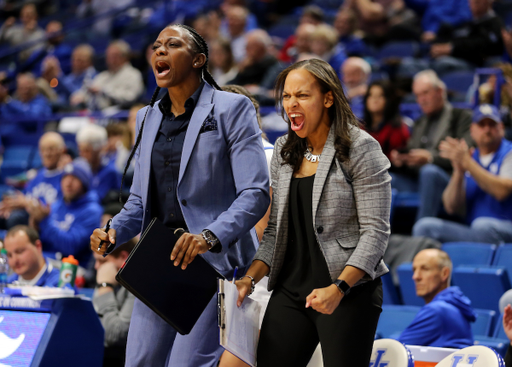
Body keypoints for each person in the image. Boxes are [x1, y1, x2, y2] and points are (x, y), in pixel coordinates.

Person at [89, 24, 270, 367]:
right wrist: (115, 230)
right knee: (140, 361)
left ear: (198, 59)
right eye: (156, 46)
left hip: (212, 261)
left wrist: (208, 236)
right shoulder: (146, 117)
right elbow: (140, 201)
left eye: (172, 45)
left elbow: (255, 192)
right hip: (158, 257)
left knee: (186, 365)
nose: (160, 51)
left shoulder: (232, 108)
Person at [236, 58, 391, 367]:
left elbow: (376, 233)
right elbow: (275, 231)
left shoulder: (360, 148)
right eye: (286, 97)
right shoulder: (285, 150)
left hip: (346, 291)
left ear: (328, 98)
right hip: (292, 290)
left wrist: (340, 288)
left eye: (302, 95)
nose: (292, 104)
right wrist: (250, 279)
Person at [413, 104, 512, 244]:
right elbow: (451, 207)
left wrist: (467, 163)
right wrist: (458, 172)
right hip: (474, 231)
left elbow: (502, 191)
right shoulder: (470, 157)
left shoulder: (508, 153)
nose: (487, 129)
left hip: (504, 228)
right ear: (472, 130)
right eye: (481, 125)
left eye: (492, 124)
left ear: (501, 128)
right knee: (424, 227)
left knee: (482, 226)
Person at [389, 70, 472, 220]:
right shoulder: (420, 122)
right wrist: (402, 160)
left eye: (425, 93)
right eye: (417, 95)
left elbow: (466, 154)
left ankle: (421, 234)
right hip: (419, 180)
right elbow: (413, 152)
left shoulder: (461, 117)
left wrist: (430, 158)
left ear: (440, 91)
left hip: (449, 183)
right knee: (388, 178)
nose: (421, 100)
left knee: (429, 172)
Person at [29, 159, 102, 265]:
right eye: (65, 177)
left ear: (84, 184)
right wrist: (35, 224)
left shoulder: (92, 211)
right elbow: (41, 241)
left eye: (75, 178)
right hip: (47, 259)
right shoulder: (56, 205)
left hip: (72, 267)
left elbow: (70, 246)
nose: (68, 183)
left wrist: (44, 222)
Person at [397, 249, 476, 348]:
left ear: (444, 274)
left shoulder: (437, 310)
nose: (415, 277)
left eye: (425, 269)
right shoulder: (451, 306)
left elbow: (397, 351)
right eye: (414, 270)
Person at [0, 132, 67, 229]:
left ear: (62, 150)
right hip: (26, 212)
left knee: (15, 218)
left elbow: (58, 208)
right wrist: (9, 205)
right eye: (43, 149)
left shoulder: (66, 177)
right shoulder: (38, 175)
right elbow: (25, 195)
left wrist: (27, 203)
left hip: (44, 221)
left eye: (51, 149)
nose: (47, 154)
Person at [92, 238, 137, 367]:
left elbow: (114, 335)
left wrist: (104, 287)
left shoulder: (136, 284)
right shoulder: (111, 277)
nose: (96, 267)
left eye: (102, 261)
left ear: (123, 257)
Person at [71, 40, 144, 111]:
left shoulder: (134, 74)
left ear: (124, 57)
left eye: (114, 56)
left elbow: (130, 97)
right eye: (108, 55)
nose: (110, 59)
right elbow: (89, 91)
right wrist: (80, 97)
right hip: (98, 113)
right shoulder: (103, 76)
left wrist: (105, 91)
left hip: (121, 114)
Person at [363, 80, 410, 158]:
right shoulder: (361, 127)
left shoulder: (397, 128)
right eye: (371, 95)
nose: (375, 99)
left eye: (380, 96)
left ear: (389, 100)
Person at [76, 123, 121, 203]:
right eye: (80, 150)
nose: (82, 154)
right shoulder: (78, 168)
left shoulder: (110, 172)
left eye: (86, 150)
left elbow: (97, 199)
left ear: (99, 150)